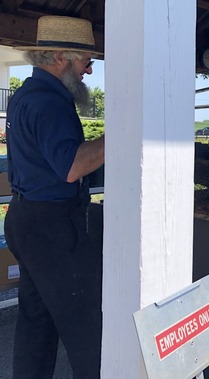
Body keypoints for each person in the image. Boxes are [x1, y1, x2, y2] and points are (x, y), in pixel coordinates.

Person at [5, 15, 105, 378]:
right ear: (61, 56)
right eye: (86, 61)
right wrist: (123, 133)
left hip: (24, 218)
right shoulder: (49, 103)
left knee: (37, 319)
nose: (89, 71)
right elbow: (71, 167)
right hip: (52, 227)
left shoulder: (23, 96)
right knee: (85, 324)